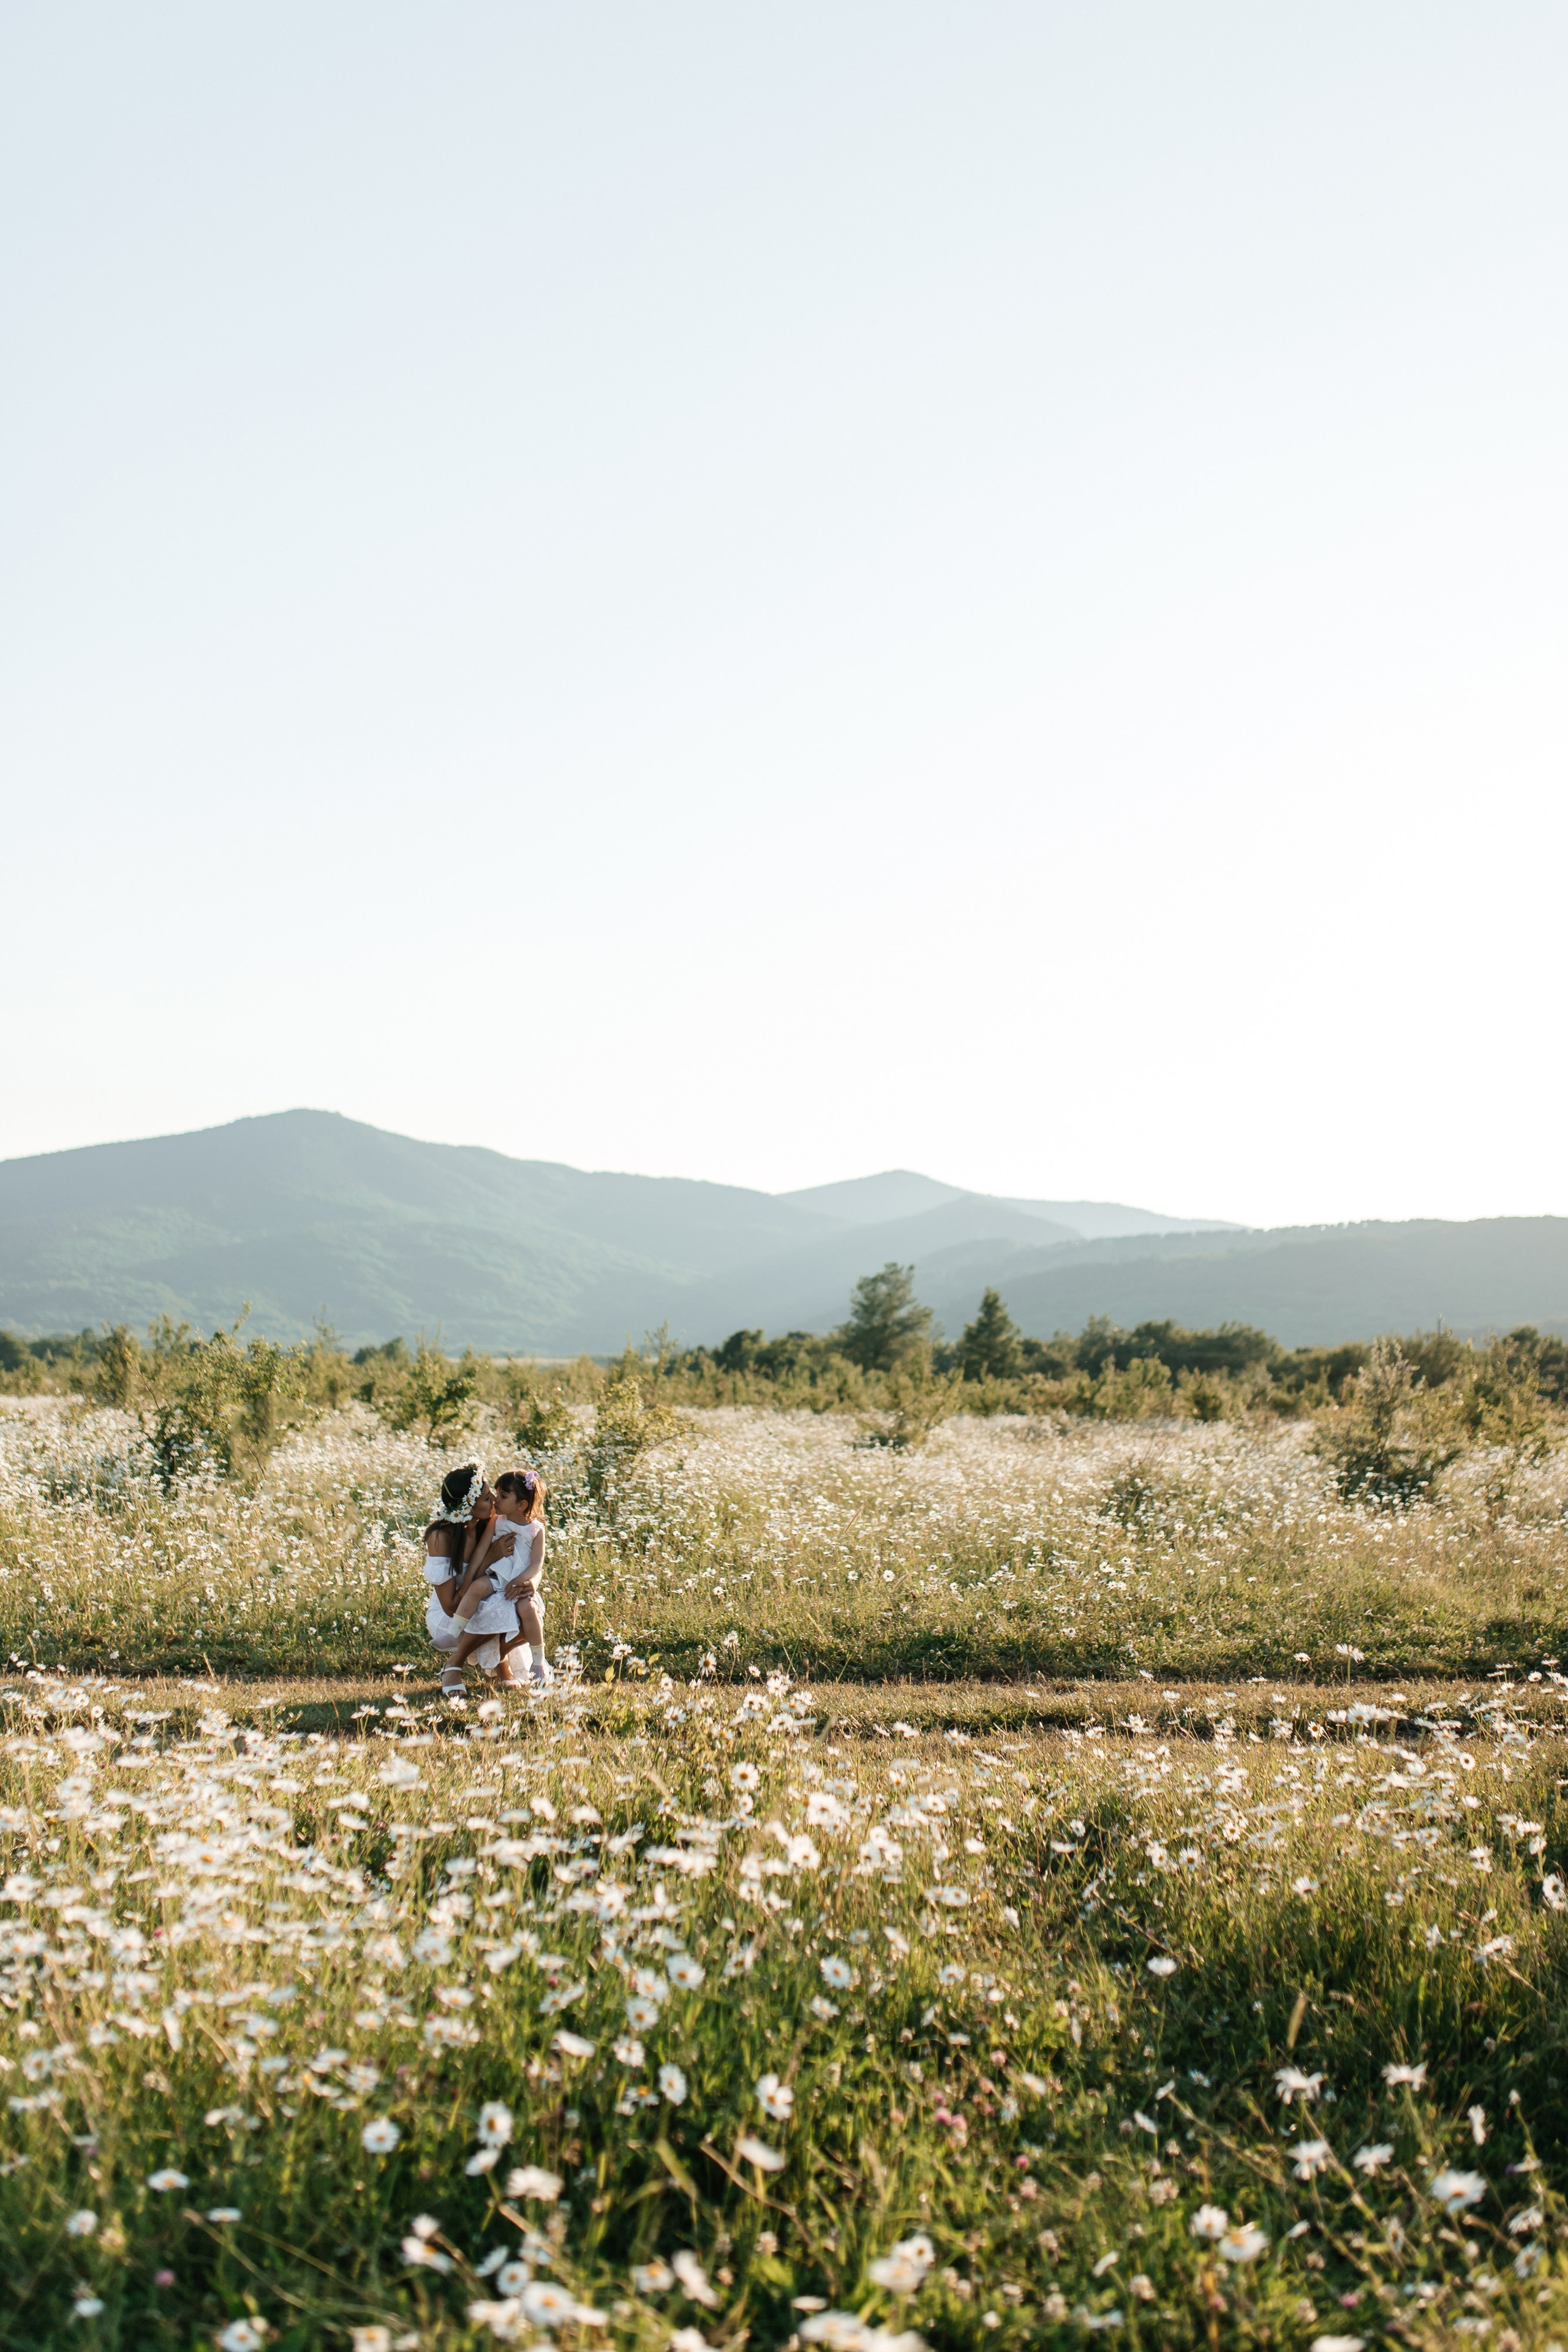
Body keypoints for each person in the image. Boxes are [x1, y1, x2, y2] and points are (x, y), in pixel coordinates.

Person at [423, 1464, 528, 1691]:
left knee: (529, 1610)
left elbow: (526, 1562)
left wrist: (529, 1584)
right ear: (468, 1506)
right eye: (486, 1498)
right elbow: (451, 1607)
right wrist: (490, 1557)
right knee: (493, 1609)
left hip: (486, 1600)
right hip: (451, 1618)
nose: (494, 1500)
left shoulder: (492, 1524)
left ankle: (500, 1661)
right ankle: (454, 1665)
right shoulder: (441, 1538)